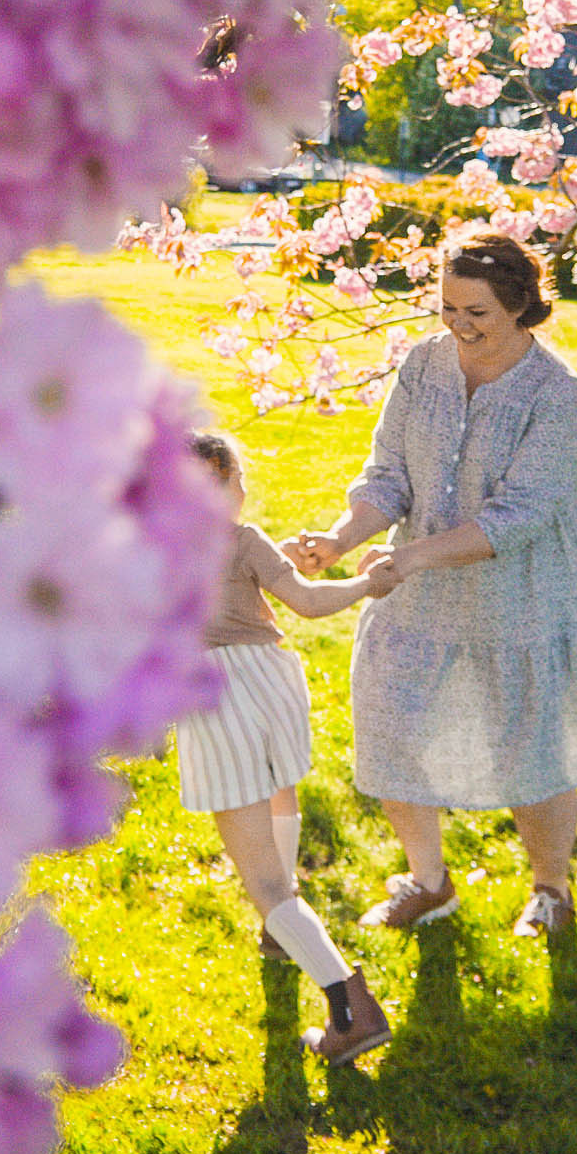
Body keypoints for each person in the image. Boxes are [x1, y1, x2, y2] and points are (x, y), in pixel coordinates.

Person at [289, 230, 577, 939]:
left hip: (519, 597)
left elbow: (521, 516)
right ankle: (430, 883)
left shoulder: (555, 393)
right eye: (448, 307)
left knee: (531, 742)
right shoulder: (423, 366)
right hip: (421, 595)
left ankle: (551, 890)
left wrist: (409, 559)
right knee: (394, 725)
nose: (459, 325)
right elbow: (389, 477)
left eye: (478, 313)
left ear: (521, 307)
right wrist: (341, 538)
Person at [177, 430, 393, 1065]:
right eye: (240, 480)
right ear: (223, 483)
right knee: (279, 787)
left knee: (266, 886)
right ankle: (282, 938)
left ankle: (349, 1009)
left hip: (215, 695)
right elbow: (305, 601)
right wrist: (364, 586)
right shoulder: (242, 539)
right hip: (272, 683)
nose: (246, 491)